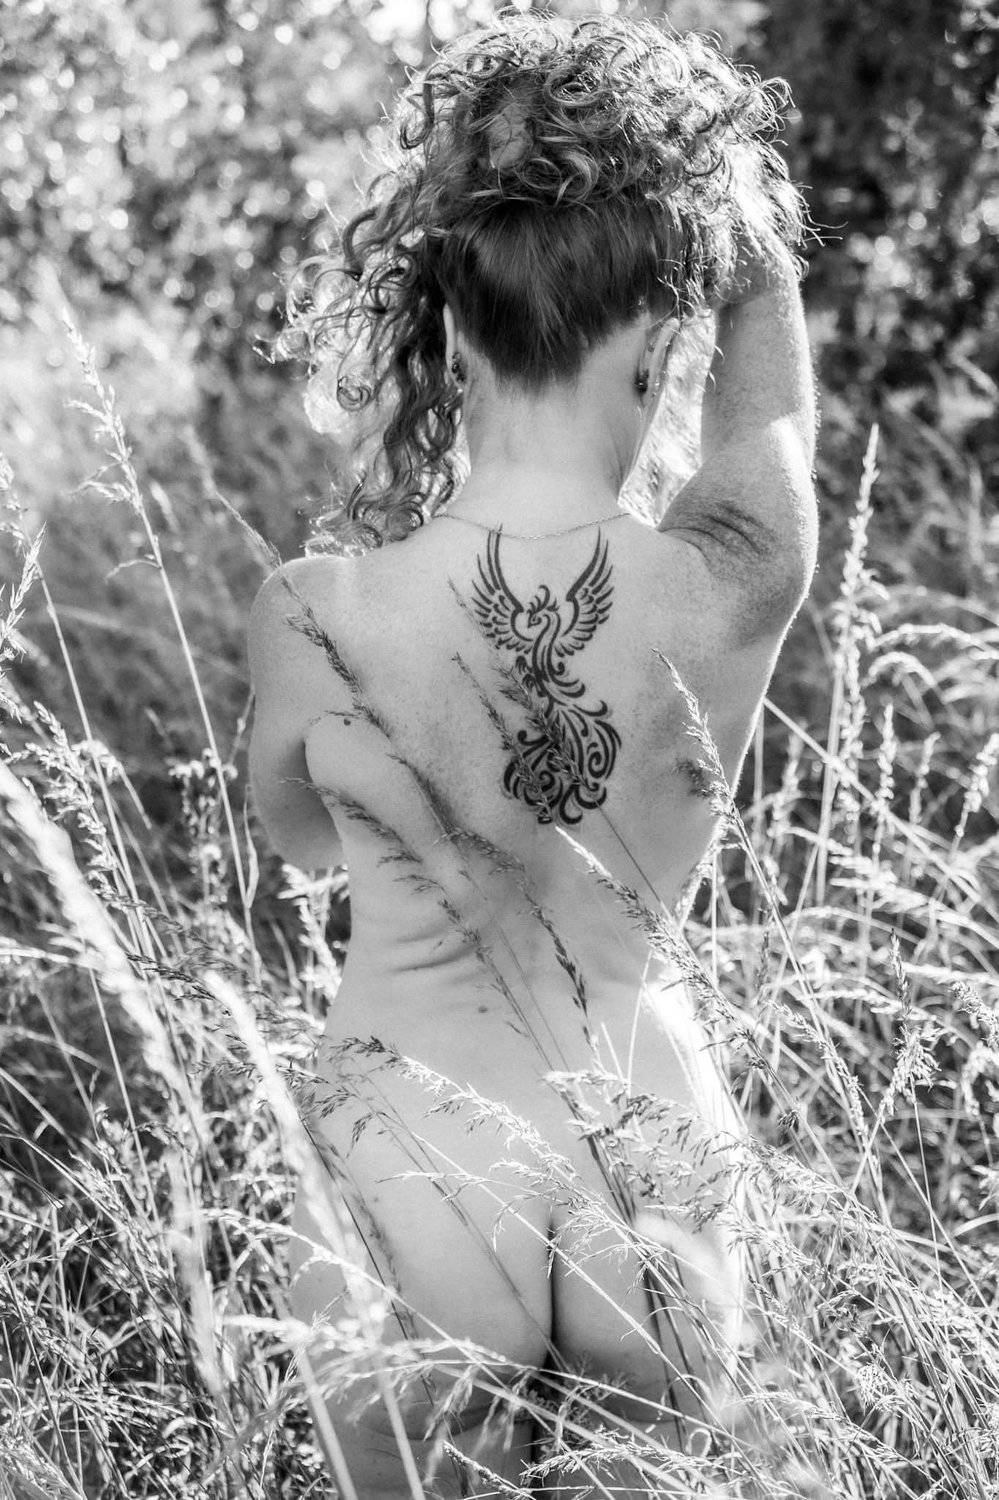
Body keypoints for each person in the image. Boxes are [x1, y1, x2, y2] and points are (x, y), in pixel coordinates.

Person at [248, 13, 816, 1497]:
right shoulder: (731, 578)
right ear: (663, 344)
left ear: (448, 329)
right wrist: (743, 232)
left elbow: (300, 847)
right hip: (649, 1142)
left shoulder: (319, 613)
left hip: (410, 1145)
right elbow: (772, 429)